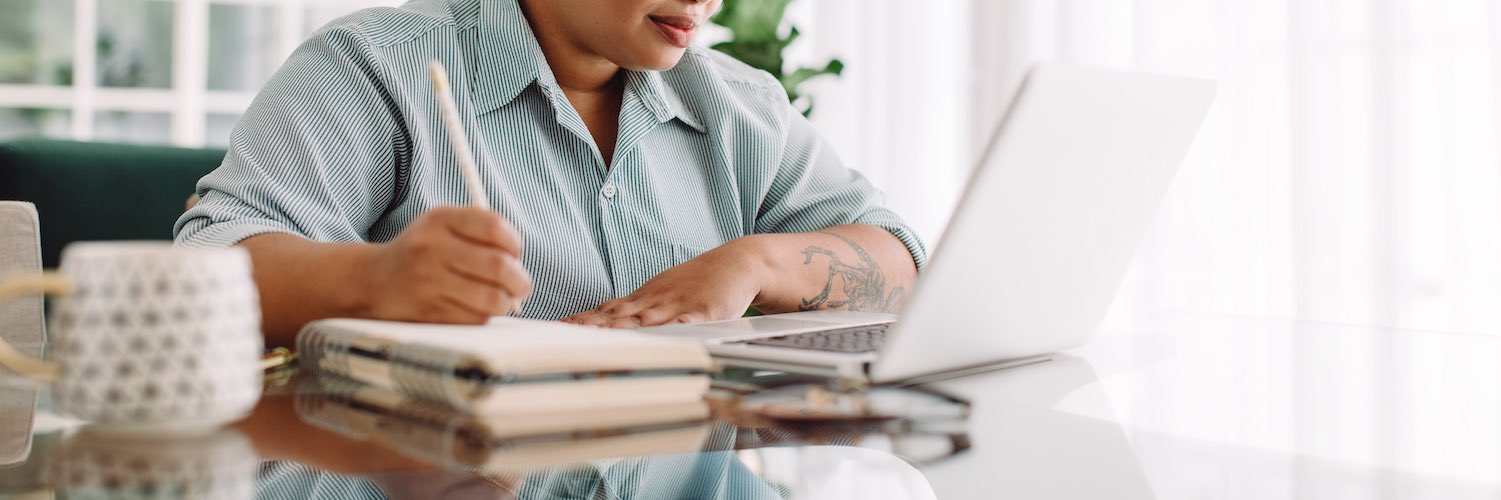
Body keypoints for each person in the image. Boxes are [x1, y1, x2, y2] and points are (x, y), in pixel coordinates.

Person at [174, 0, 927, 346]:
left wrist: (755, 260)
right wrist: (374, 280)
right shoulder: (374, 68)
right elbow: (198, 278)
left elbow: (901, 262)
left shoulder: (741, 107)